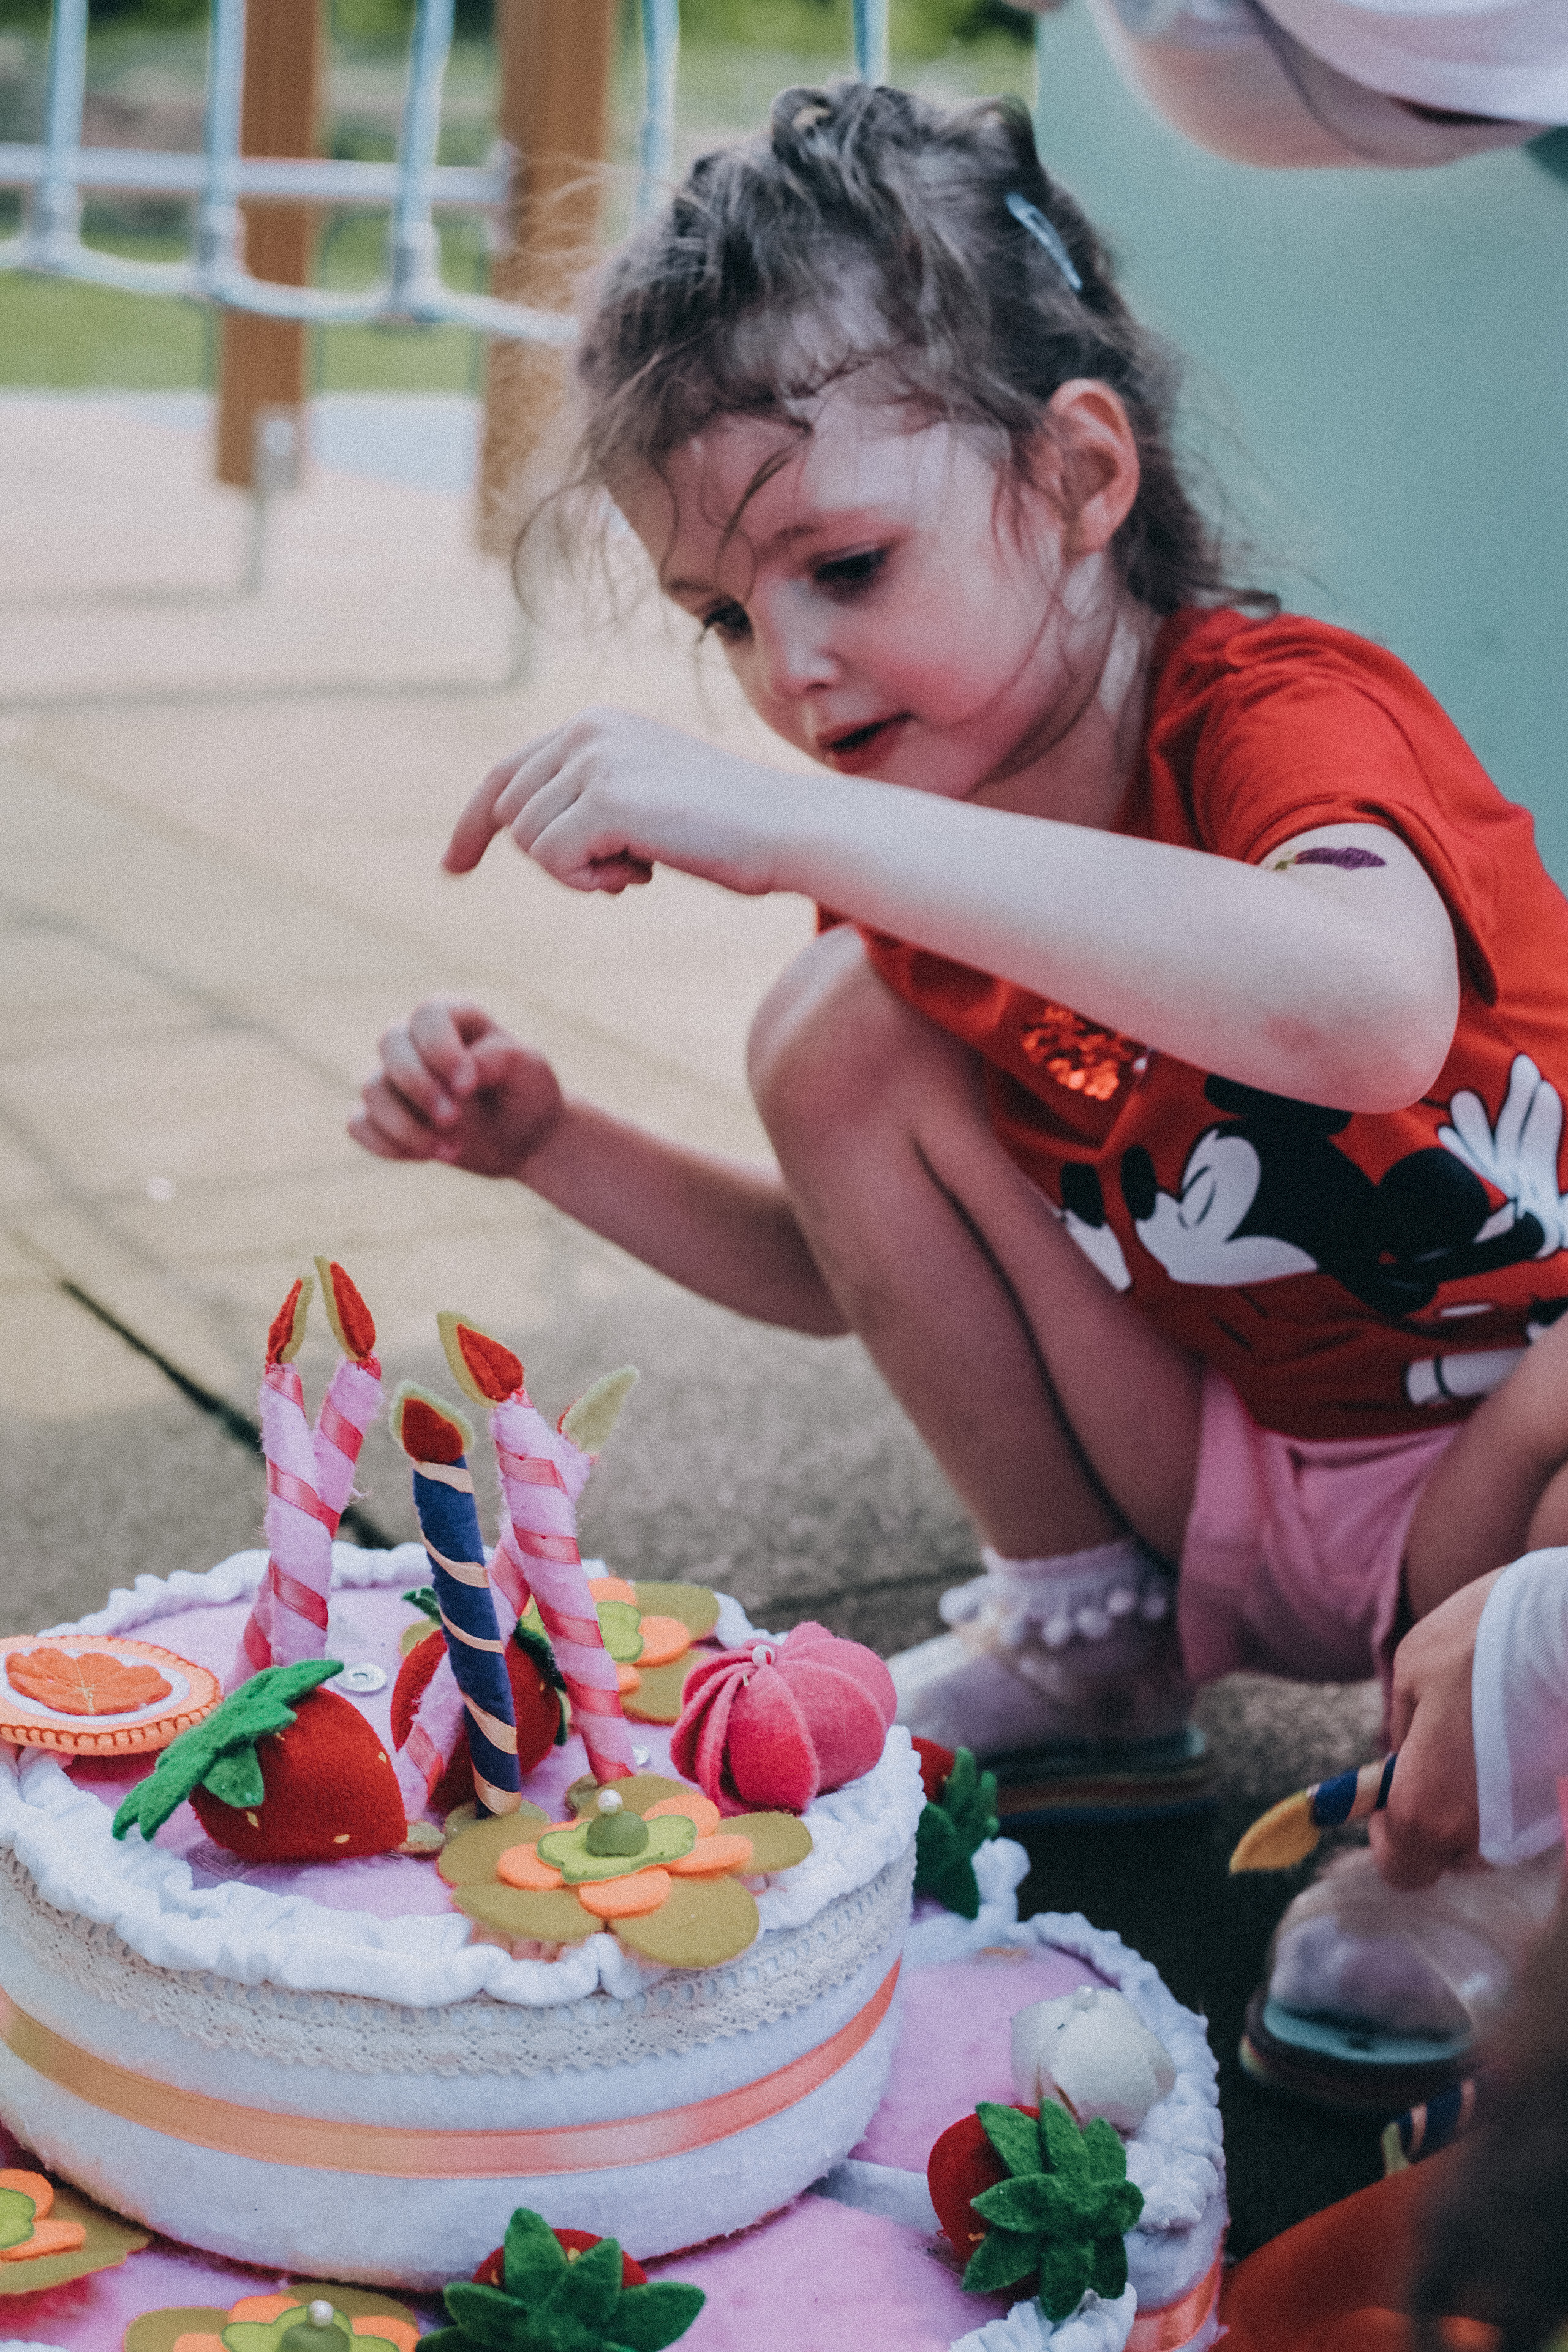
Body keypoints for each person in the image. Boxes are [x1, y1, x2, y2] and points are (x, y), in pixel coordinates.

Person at [351, 80, 1568, 1804]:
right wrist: (546, 1144)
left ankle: (1487, 1854)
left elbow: (1366, 1014)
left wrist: (799, 827)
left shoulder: (1274, 714)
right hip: (1230, 1478)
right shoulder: (922, 885)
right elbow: (845, 1268)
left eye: (843, 565)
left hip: (1524, 1457)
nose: (789, 672)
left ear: (1079, 474)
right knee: (834, 1029)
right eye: (725, 621)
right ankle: (1092, 1652)